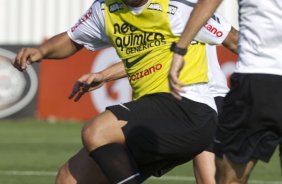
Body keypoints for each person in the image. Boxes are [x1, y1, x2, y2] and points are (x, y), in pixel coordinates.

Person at [13, 0, 235, 183]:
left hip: (189, 108)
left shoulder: (178, 8)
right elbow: (73, 39)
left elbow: (235, 40)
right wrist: (41, 52)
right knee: (69, 179)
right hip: (153, 120)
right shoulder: (105, 9)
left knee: (96, 131)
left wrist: (262, 80)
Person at [169, 0, 282, 183]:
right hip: (260, 78)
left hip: (259, 79)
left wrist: (180, 49)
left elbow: (208, 3)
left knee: (229, 176)